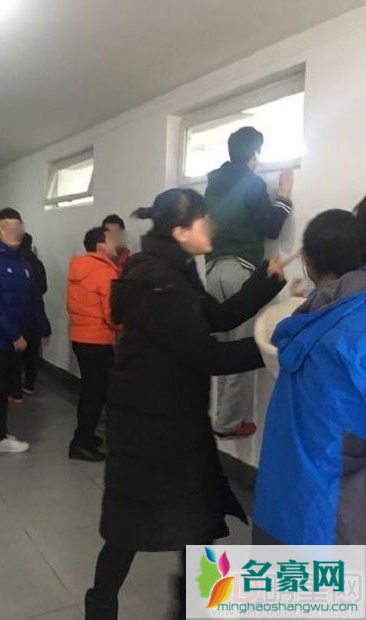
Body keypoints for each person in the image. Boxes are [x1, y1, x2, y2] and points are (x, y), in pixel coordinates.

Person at [86, 188, 287, 620]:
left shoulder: (173, 272)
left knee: (194, 524)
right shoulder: (158, 283)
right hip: (153, 429)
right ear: (180, 231)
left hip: (169, 420)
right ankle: (103, 607)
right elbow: (208, 356)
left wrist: (266, 281)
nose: (211, 225)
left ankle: (191, 607)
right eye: (203, 220)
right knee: (131, 530)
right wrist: (279, 344)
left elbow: (215, 318)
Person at [254, 209, 366, 545]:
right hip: (335, 523)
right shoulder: (354, 328)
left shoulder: (312, 318)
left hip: (285, 507)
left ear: (308, 261)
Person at [204, 126, 295, 438]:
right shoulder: (251, 182)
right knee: (241, 347)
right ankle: (228, 423)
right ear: (255, 154)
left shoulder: (212, 186)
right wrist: (284, 193)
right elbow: (270, 227)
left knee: (221, 347)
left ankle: (219, 415)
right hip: (240, 269)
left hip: (213, 270)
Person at [0, 208, 51, 481]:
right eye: (10, 228)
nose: (17, 233)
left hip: (15, 342)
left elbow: (33, 298)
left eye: (20, 228)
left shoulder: (23, 260)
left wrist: (42, 328)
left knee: (3, 390)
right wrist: (14, 334)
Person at [66, 226, 121, 462]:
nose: (116, 243)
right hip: (98, 340)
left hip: (81, 337)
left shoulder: (79, 267)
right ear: (100, 245)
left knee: (90, 391)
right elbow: (112, 313)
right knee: (95, 394)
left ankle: (85, 436)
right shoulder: (104, 272)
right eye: (111, 239)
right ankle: (81, 443)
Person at [8, 232, 50, 401]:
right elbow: (43, 287)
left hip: (17, 315)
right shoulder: (37, 263)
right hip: (35, 313)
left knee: (16, 354)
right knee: (32, 351)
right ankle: (29, 384)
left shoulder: (13, 262)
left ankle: (15, 390)